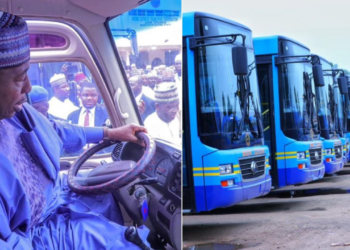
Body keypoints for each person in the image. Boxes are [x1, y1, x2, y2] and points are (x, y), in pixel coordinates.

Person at [0, 11, 150, 249]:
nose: (28, 87)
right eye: (19, 78)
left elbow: (54, 131)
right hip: (39, 233)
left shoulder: (14, 114)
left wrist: (111, 133)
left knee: (106, 198)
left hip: (57, 197)